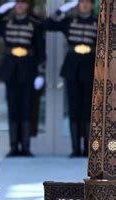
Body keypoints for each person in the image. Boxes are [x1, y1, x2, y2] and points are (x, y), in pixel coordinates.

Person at [0, 0, 45, 157]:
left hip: (28, 68)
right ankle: (14, 146)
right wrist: (0, 10)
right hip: (10, 69)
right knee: (13, 109)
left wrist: (41, 72)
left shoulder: (34, 23)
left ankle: (26, 146)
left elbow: (41, 49)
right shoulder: (5, 22)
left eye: (23, 3)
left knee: (27, 108)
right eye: (17, 3)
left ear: (28, 6)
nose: (20, 6)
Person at [44, 0, 97, 157]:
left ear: (92, 5)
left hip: (90, 66)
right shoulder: (69, 20)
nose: (85, 5)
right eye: (81, 2)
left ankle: (88, 148)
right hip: (72, 67)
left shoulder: (97, 21)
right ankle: (75, 148)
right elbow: (48, 24)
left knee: (88, 109)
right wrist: (64, 8)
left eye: (88, 2)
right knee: (74, 108)